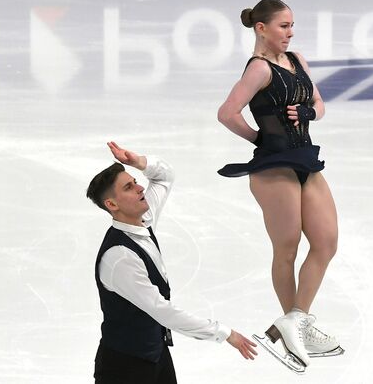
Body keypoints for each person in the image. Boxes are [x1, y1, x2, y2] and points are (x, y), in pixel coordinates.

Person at [217, 0, 343, 369]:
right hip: (274, 168)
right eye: (283, 26)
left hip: (305, 159)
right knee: (287, 247)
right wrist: (259, 139)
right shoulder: (259, 70)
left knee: (326, 242)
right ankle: (294, 329)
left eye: (291, 26)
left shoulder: (297, 60)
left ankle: (294, 322)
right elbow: (226, 113)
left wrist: (309, 112)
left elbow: (319, 103)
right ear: (261, 28)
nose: (289, 33)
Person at [87, 141, 257, 384]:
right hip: (125, 366)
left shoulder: (143, 219)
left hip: (155, 355)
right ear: (112, 204)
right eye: (128, 187)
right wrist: (223, 333)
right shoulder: (120, 257)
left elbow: (164, 177)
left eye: (135, 181)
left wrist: (138, 163)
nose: (139, 187)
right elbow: (161, 311)